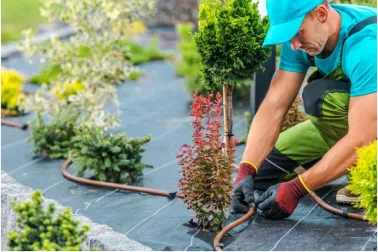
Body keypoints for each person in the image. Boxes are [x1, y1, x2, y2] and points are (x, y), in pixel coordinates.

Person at [231, 0, 377, 219]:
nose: (294, 45)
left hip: (368, 125)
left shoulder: (366, 44)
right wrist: (246, 168)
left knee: (323, 97)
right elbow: (274, 107)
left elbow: (363, 137)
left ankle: (366, 177)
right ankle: (336, 159)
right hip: (355, 119)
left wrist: (298, 187)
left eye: (298, 33)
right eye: (289, 36)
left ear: (321, 13)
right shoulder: (301, 40)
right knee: (261, 172)